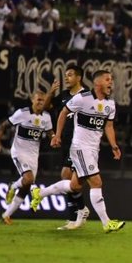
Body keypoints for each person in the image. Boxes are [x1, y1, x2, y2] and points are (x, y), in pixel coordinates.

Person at [31, 70, 125, 233]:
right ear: (97, 83)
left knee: (74, 186)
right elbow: (63, 113)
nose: (111, 82)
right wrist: (57, 135)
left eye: (111, 79)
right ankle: (107, 223)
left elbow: (108, 126)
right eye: (107, 79)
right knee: (97, 182)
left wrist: (114, 145)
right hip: (80, 148)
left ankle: (40, 193)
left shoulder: (110, 105)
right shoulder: (82, 98)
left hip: (93, 150)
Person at [0, 91, 54, 224]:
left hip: (33, 155)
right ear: (32, 100)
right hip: (19, 152)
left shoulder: (46, 117)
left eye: (43, 100)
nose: (40, 102)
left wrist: (54, 139)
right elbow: (3, 126)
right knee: (29, 179)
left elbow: (50, 134)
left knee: (25, 186)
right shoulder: (22, 113)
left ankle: (6, 215)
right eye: (38, 100)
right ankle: (13, 187)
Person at [43, 65, 90, 230]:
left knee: (66, 175)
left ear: (79, 77)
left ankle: (78, 213)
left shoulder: (87, 96)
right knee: (68, 179)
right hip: (66, 142)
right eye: (66, 75)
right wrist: (50, 92)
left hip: (80, 143)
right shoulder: (63, 96)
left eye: (70, 75)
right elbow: (44, 108)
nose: (67, 78)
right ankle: (78, 213)